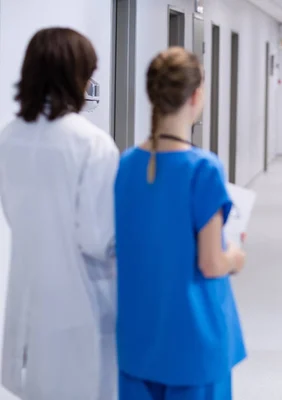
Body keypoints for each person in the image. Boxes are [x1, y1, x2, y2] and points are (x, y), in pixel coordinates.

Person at [114, 47, 247, 400]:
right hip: (192, 341)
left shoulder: (126, 164)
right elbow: (211, 262)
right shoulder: (203, 169)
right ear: (196, 95)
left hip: (138, 338)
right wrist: (235, 255)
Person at [0, 28, 119, 399]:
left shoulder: (9, 137)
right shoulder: (91, 143)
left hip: (28, 296)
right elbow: (98, 238)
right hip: (81, 302)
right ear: (77, 76)